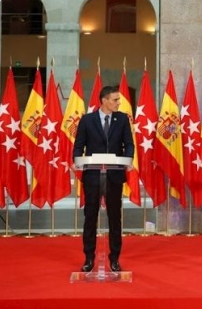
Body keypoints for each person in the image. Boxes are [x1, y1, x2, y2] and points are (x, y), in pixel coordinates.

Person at [73, 85, 134, 273]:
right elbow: (78, 146)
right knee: (90, 217)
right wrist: (76, 161)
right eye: (115, 100)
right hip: (92, 176)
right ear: (104, 101)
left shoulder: (122, 119)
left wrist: (128, 160)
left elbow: (129, 145)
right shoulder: (87, 120)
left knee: (115, 218)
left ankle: (114, 258)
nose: (119, 103)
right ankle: (88, 258)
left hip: (114, 175)